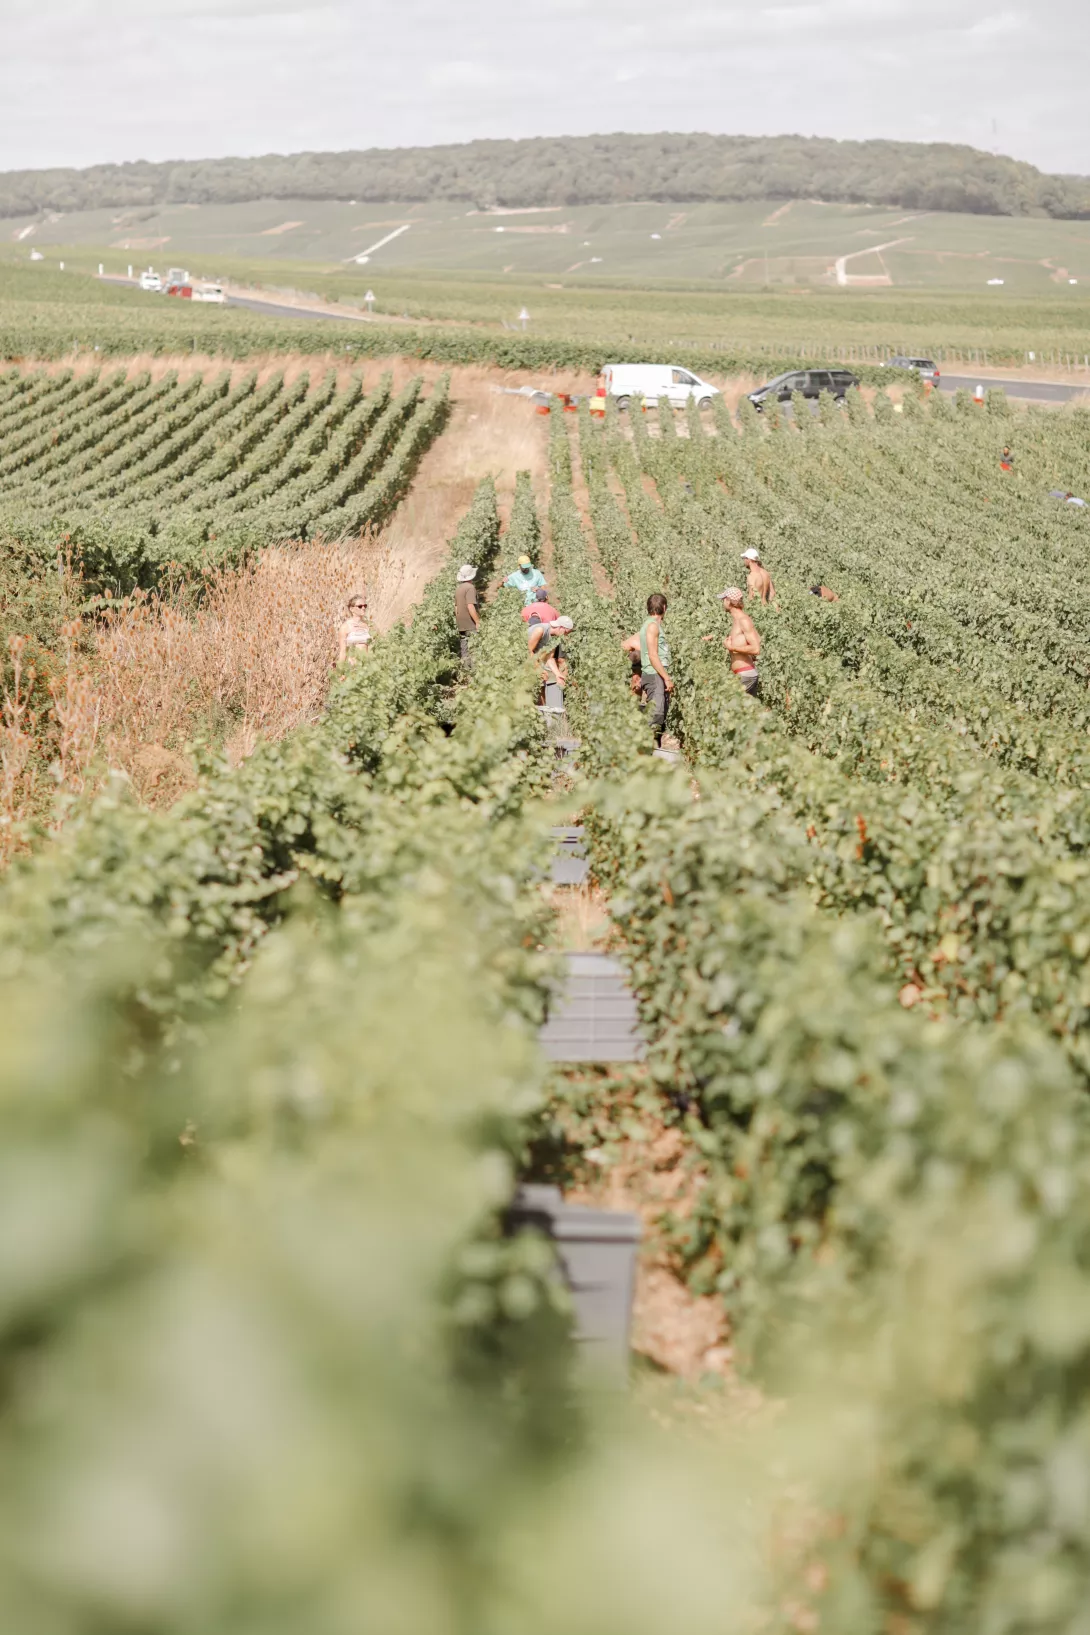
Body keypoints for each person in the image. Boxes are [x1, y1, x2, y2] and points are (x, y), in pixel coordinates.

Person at [637, 593, 673, 745]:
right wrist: (666, 677)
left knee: (659, 714)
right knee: (655, 713)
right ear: (664, 608)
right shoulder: (652, 626)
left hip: (656, 674)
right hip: (654, 674)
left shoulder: (652, 625)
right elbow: (653, 655)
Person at [716, 586, 761, 696]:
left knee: (728, 706)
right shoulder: (737, 620)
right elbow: (757, 638)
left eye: (724, 599)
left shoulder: (743, 620)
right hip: (742, 674)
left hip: (746, 675)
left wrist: (732, 648)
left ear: (729, 601)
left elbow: (756, 648)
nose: (723, 602)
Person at [530, 615, 573, 688]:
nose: (566, 636)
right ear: (561, 627)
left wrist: (558, 674)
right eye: (566, 633)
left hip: (530, 658)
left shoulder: (555, 638)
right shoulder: (540, 630)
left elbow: (549, 659)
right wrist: (539, 670)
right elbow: (528, 651)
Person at [337, 592, 371, 665]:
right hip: (353, 667)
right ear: (351, 609)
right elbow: (343, 651)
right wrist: (340, 672)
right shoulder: (345, 627)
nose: (363, 608)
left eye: (365, 606)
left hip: (367, 667)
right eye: (360, 606)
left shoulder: (369, 625)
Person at [455, 563, 479, 664]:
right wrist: (477, 621)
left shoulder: (459, 588)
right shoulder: (470, 588)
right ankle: (474, 671)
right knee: (474, 647)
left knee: (464, 647)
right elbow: (470, 605)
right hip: (470, 622)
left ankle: (466, 669)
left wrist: (459, 621)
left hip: (461, 623)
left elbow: (456, 607)